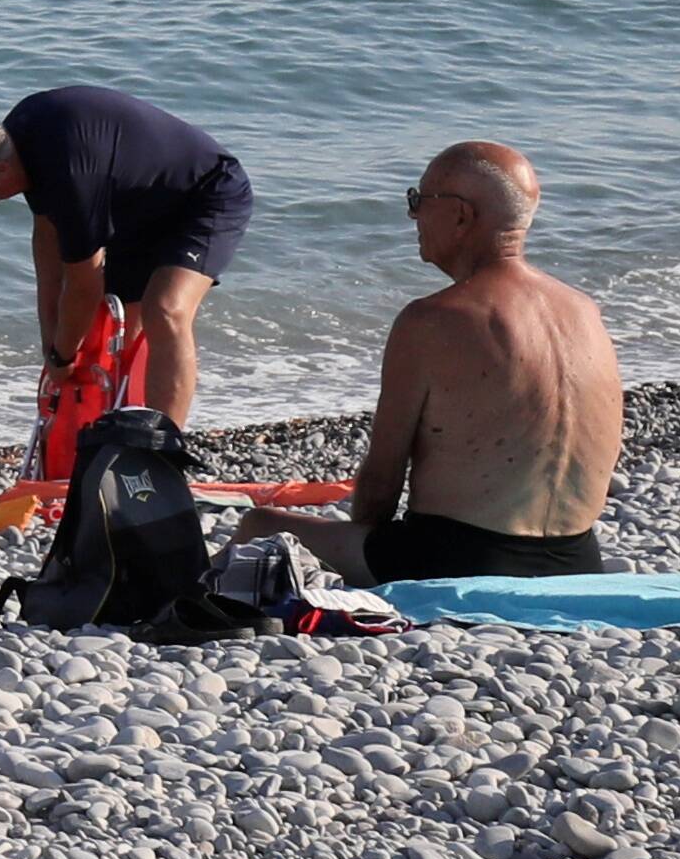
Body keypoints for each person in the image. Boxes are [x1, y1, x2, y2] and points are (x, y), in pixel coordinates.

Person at [264, 142, 624, 583]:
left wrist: (365, 548)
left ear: (460, 216)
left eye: (418, 200)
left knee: (258, 527)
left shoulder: (432, 320)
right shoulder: (583, 310)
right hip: (577, 561)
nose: (413, 216)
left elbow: (381, 482)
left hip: (459, 559)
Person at [0, 86, 256, 434]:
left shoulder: (69, 175)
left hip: (207, 193)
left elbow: (84, 284)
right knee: (118, 328)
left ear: (2, 168)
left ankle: (164, 447)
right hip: (137, 205)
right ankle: (123, 428)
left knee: (165, 310)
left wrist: (63, 355)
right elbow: (46, 245)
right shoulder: (20, 137)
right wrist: (50, 342)